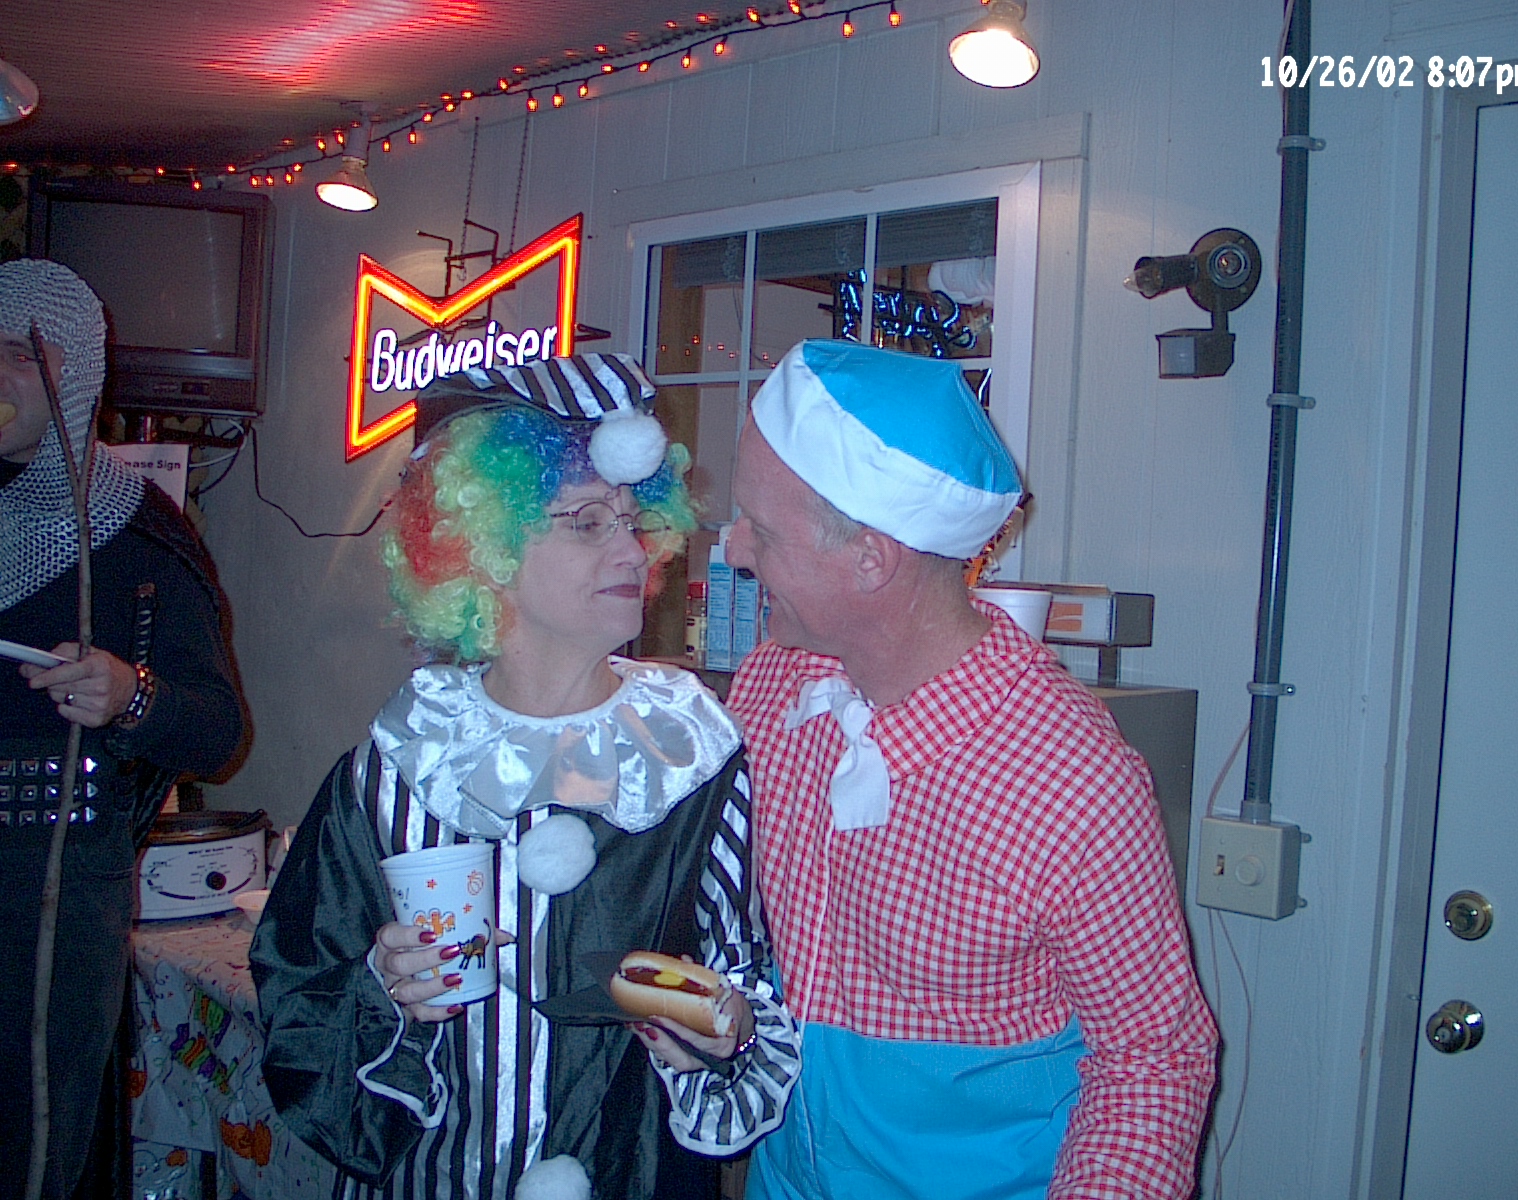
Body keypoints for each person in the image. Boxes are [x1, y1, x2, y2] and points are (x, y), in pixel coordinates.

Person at [251, 356, 799, 1200]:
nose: (632, 549)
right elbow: (299, 1002)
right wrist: (383, 995)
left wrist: (725, 1037)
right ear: (484, 549)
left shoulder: (690, 759)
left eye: (634, 520)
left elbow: (750, 981)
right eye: (586, 522)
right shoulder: (397, 769)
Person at [723, 339, 1218, 1200]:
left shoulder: (1071, 783)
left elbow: (1153, 1060)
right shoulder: (774, 683)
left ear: (871, 556)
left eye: (760, 530)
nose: (734, 550)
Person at [0, 258, 247, 1199]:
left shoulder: (140, 533)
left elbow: (217, 732)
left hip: (56, 895)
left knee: (35, 1144)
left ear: (75, 375)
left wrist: (130, 695)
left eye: (21, 353)